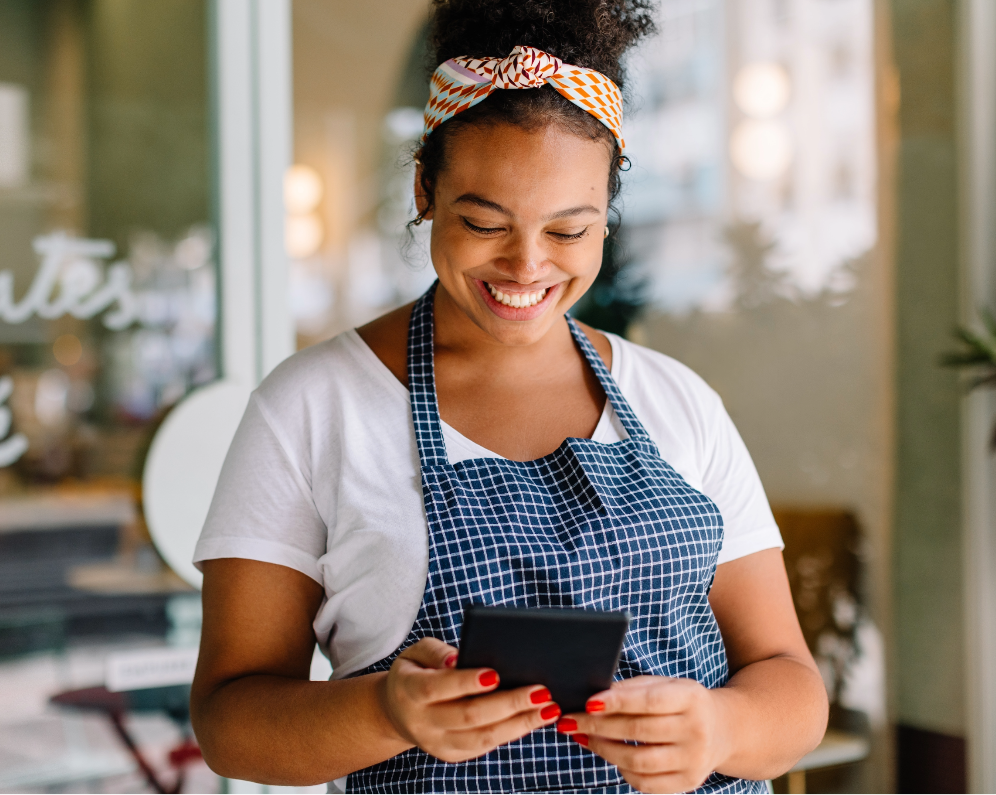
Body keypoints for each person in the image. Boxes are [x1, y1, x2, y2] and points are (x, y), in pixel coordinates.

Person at [190, 1, 828, 791]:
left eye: (568, 231)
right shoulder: (312, 408)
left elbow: (791, 684)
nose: (527, 267)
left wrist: (721, 726)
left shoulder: (677, 400)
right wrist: (387, 712)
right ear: (425, 187)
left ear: (608, 216)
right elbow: (229, 723)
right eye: (484, 221)